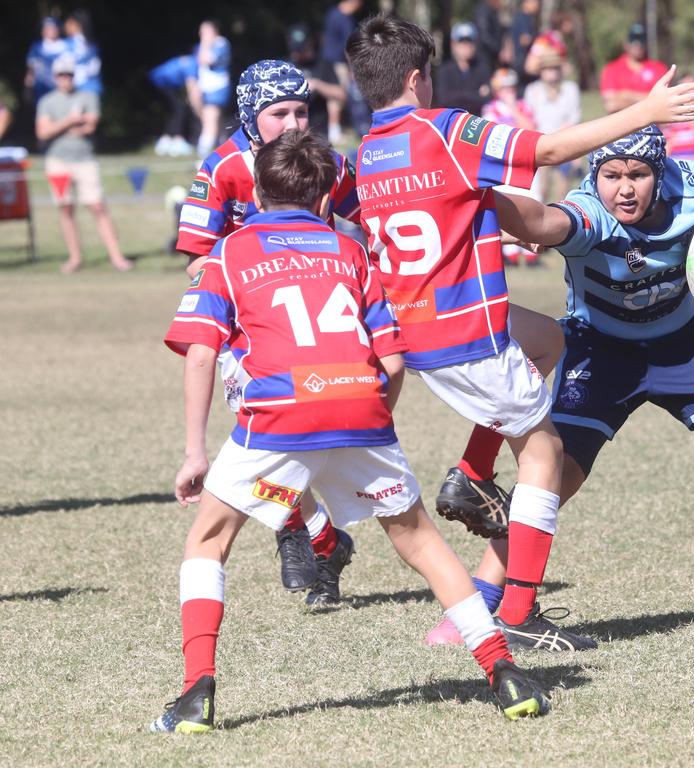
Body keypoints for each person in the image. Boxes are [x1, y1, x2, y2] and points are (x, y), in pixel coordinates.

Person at [151, 129, 549, 732]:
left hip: (279, 413)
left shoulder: (229, 252)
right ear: (324, 198)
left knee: (208, 541)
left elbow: (202, 353)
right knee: (419, 541)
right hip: (360, 405)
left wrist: (192, 452)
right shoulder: (351, 251)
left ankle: (194, 695)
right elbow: (391, 363)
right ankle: (503, 671)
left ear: (257, 190)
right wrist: (366, 420)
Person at [424, 124, 694, 648]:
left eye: (637, 174)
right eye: (611, 175)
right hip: (601, 352)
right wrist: (462, 195)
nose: (624, 188)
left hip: (689, 349)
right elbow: (541, 221)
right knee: (552, 478)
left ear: (661, 172)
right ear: (596, 176)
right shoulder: (588, 214)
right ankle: (483, 601)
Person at [346, 14, 694, 650]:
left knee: (551, 341)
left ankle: (470, 470)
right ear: (415, 78)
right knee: (545, 455)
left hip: (417, 327)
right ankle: (517, 610)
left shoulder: (367, 153)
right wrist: (646, 110)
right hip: (469, 333)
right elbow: (546, 151)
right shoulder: (446, 129)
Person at [176, 59, 362, 606]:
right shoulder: (223, 166)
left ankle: (313, 536)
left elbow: (374, 216)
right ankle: (308, 534)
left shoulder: (325, 160)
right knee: (266, 430)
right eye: (279, 113)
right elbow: (194, 258)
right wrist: (254, 276)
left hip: (317, 315)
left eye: (302, 111)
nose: (294, 124)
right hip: (250, 318)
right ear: (251, 117)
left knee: (289, 433)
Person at [36, 54, 131, 274]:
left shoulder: (88, 97)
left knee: (97, 206)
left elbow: (90, 126)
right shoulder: (47, 101)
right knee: (65, 208)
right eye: (61, 75)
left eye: (68, 74)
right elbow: (43, 132)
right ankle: (75, 258)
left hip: (85, 160)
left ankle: (117, 257)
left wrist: (58, 127)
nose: (65, 78)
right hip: (57, 162)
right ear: (55, 76)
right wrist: (70, 121)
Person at [483, 67, 540, 266]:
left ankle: (533, 252)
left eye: (512, 87)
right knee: (508, 206)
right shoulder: (491, 109)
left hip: (525, 162)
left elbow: (531, 129)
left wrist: (513, 109)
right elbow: (495, 136)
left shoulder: (523, 106)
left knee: (532, 203)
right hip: (504, 166)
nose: (510, 91)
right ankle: (510, 253)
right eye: (505, 88)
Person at [523, 46, 582, 203]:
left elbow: (573, 120)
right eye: (547, 68)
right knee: (540, 190)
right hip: (539, 144)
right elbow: (529, 121)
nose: (552, 72)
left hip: (564, 143)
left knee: (563, 191)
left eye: (555, 68)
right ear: (541, 70)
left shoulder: (571, 89)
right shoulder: (532, 90)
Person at [319, 0, 364, 144]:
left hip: (326, 60)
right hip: (338, 63)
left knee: (334, 97)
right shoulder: (344, 19)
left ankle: (334, 131)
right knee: (340, 94)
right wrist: (353, 68)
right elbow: (348, 46)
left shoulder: (331, 14)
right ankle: (335, 132)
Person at [599, 23, 669, 114]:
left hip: (652, 126)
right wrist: (648, 99)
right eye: (633, 40)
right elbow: (611, 105)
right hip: (622, 126)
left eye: (641, 40)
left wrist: (626, 95)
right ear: (626, 43)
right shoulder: (611, 69)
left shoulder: (659, 68)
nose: (638, 44)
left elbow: (663, 101)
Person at [433, 22, 492, 116]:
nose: (466, 46)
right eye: (462, 42)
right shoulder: (444, 71)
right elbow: (443, 99)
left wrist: (457, 95)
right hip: (451, 122)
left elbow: (487, 99)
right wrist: (476, 94)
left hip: (476, 122)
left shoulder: (482, 69)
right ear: (454, 44)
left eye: (470, 42)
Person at [194, 21, 231, 157]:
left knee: (210, 120)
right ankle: (226, 151)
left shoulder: (220, 43)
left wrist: (204, 44)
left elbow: (206, 60)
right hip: (207, 88)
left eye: (204, 31)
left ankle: (202, 154)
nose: (201, 34)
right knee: (217, 123)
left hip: (217, 88)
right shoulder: (205, 46)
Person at [149, 54, 198, 157]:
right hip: (159, 82)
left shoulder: (188, 60)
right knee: (180, 110)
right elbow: (191, 84)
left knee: (175, 111)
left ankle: (165, 141)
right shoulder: (193, 63)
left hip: (158, 82)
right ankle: (177, 141)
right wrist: (191, 99)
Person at [25, 17, 68, 105]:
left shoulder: (65, 46)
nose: (50, 31)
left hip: (60, 87)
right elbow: (31, 68)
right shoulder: (37, 47)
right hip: (41, 87)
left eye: (53, 28)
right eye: (47, 28)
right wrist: (28, 85)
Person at [63, 11, 102, 96]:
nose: (65, 26)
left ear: (78, 25)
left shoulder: (68, 44)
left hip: (77, 89)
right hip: (93, 87)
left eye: (69, 23)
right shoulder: (92, 43)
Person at [473, 0, 506, 71]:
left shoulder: (491, 10)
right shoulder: (483, 10)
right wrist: (498, 49)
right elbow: (484, 35)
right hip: (484, 57)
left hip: (490, 56)